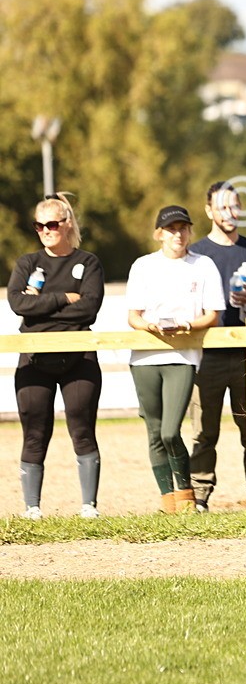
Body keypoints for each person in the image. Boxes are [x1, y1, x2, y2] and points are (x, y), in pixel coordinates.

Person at [7, 193, 105, 520]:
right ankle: (31, 508)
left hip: (79, 356)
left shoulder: (88, 262)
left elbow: (89, 309)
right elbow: (18, 305)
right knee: (35, 430)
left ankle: (89, 506)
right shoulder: (27, 263)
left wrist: (42, 311)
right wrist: (63, 297)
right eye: (39, 225)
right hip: (34, 358)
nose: (46, 230)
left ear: (67, 224)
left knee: (82, 427)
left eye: (52, 224)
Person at [127, 206, 224, 513]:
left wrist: (187, 326)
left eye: (183, 228)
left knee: (171, 430)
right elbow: (134, 316)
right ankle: (169, 502)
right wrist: (150, 326)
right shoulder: (143, 266)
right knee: (155, 432)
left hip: (183, 355)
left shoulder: (203, 265)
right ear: (159, 234)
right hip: (145, 357)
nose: (178, 234)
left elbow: (212, 315)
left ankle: (186, 495)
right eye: (171, 229)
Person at [187, 181, 246, 512]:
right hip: (206, 355)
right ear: (209, 211)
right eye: (222, 207)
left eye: (235, 206)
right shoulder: (195, 254)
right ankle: (201, 495)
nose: (230, 213)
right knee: (203, 431)